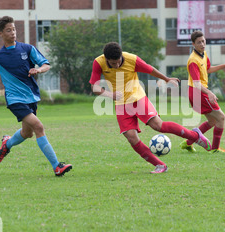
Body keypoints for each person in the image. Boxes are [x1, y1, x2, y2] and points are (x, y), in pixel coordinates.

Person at [0, 16, 72, 176]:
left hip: (31, 97)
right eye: (9, 30)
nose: (13, 32)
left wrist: (38, 70)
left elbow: (46, 64)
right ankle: (57, 166)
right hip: (15, 100)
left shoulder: (27, 49)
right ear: (0, 33)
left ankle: (7, 144)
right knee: (39, 127)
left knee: (27, 133)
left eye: (14, 29)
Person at [89, 42, 211, 174]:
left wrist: (166, 79)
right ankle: (160, 165)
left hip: (137, 98)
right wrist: (109, 95)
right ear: (106, 59)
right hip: (120, 104)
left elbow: (150, 69)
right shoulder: (98, 62)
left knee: (158, 126)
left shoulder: (132, 59)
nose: (117, 65)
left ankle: (195, 135)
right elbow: (94, 87)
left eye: (118, 62)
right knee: (131, 137)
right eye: (113, 64)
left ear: (121, 55)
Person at [179, 31, 225, 154]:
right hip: (197, 92)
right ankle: (215, 149)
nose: (202, 44)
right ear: (193, 44)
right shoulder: (193, 60)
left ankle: (188, 143)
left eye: (203, 41)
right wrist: (209, 93)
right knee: (221, 117)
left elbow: (208, 69)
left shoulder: (203, 54)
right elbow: (196, 83)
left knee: (212, 121)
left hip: (198, 92)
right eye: (199, 42)